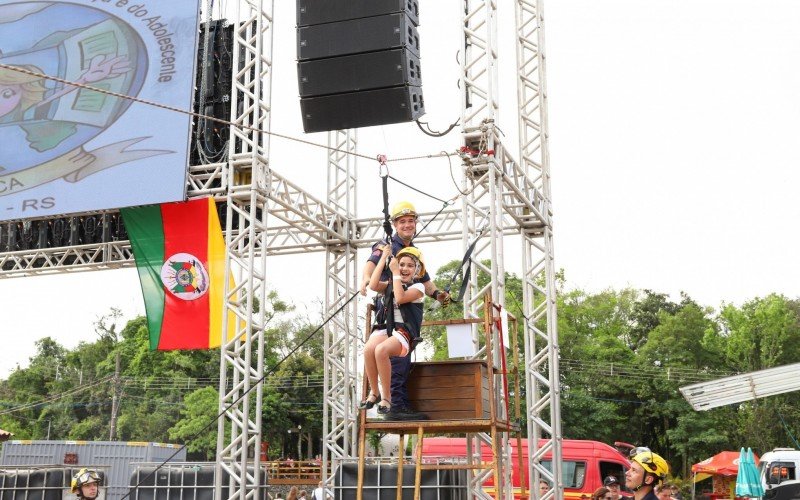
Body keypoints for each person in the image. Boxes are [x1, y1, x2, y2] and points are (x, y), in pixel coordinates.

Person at [359, 201, 450, 419]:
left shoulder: (413, 254)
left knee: (397, 355)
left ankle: (394, 402)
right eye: (402, 222)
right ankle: (393, 403)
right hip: (390, 307)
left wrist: (439, 295)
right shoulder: (387, 245)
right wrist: (365, 279)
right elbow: (371, 265)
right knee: (386, 355)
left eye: (411, 221)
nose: (407, 226)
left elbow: (426, 285)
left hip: (405, 311)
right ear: (395, 225)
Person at [363, 245, 427, 420]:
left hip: (405, 331)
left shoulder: (419, 287)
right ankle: (374, 392)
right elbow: (374, 285)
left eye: (409, 266)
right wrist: (383, 257)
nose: (404, 268)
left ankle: (387, 397)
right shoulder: (392, 283)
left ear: (417, 270)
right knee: (369, 349)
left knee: (381, 351)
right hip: (390, 329)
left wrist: (395, 274)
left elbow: (400, 297)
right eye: (401, 264)